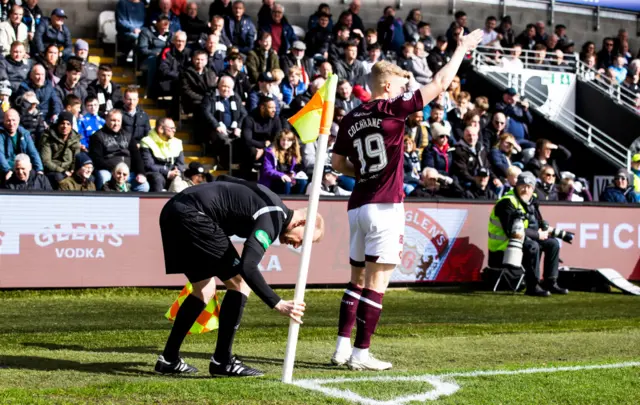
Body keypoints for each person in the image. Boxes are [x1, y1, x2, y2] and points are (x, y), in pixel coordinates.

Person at [330, 29, 483, 370]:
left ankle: (341, 347)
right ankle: (360, 353)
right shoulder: (392, 108)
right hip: (385, 205)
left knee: (355, 280)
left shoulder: (351, 117)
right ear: (387, 86)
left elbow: (338, 164)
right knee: (376, 283)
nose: (405, 91)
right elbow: (442, 82)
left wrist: (366, 169)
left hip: (357, 204)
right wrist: (460, 48)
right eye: (401, 85)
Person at [155, 175, 324, 376]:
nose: (298, 245)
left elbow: (225, 178)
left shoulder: (269, 199)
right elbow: (248, 266)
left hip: (172, 211)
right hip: (193, 214)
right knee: (240, 283)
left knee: (205, 290)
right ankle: (222, 362)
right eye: (303, 240)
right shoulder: (273, 218)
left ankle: (168, 359)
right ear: (301, 222)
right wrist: (278, 303)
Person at [488, 171, 569, 297]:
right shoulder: (506, 202)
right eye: (523, 186)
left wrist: (544, 230)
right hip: (504, 246)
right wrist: (537, 235)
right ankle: (532, 286)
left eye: (529, 187)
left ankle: (550, 282)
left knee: (553, 243)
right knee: (532, 246)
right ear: (517, 186)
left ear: (533, 188)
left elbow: (536, 224)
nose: (526, 190)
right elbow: (511, 231)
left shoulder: (532, 201)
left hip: (522, 238)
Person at [89, 109, 149, 191]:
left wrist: (141, 173)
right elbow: (96, 159)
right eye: (113, 120)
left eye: (118, 121)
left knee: (144, 186)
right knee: (103, 177)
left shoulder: (128, 135)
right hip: (109, 172)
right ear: (106, 120)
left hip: (127, 173)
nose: (116, 124)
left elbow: (137, 157)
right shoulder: (97, 136)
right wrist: (116, 169)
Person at [140, 118, 186, 192]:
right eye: (171, 128)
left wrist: (176, 172)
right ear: (161, 129)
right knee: (157, 178)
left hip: (172, 174)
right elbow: (148, 165)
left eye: (174, 128)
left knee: (181, 180)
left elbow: (180, 164)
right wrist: (168, 173)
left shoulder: (177, 142)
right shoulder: (146, 141)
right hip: (154, 174)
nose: (174, 130)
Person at [38, 111, 81, 189]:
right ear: (58, 125)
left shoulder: (75, 139)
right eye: (62, 123)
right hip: (53, 170)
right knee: (59, 177)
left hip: (69, 170)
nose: (65, 126)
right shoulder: (48, 137)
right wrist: (62, 171)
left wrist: (72, 170)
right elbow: (46, 161)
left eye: (68, 124)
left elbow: (76, 158)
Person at [259, 129, 307, 194]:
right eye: (283, 140)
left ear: (292, 142)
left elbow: (296, 169)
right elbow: (268, 170)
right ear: (279, 140)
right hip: (274, 180)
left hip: (290, 179)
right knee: (286, 182)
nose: (285, 143)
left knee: (302, 182)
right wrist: (282, 175)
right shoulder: (270, 152)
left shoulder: (295, 153)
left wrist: (294, 174)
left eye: (288, 140)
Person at [0, 108, 43, 179]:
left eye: (14, 120)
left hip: (22, 166)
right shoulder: (1, 134)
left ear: (18, 120)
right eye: (8, 120)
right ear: (4, 121)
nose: (11, 123)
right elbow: (0, 155)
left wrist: (39, 169)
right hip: (6, 168)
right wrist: (8, 170)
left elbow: (33, 152)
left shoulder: (24, 133)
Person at [179, 49, 217, 115]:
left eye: (202, 60)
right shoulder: (186, 74)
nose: (199, 62)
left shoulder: (211, 73)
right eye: (197, 59)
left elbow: (213, 88)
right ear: (193, 59)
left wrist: (208, 98)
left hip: (209, 100)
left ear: (206, 61)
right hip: (193, 102)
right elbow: (187, 91)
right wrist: (203, 98)